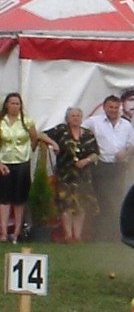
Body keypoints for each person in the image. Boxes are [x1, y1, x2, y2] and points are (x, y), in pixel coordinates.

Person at [0, 93, 59, 242]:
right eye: (12, 103)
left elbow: (36, 136)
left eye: (17, 104)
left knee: (20, 199)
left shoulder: (26, 121)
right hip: (4, 162)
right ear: (6, 105)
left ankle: (17, 232)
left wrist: (51, 143)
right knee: (4, 199)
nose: (15, 106)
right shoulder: (1, 121)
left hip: (22, 162)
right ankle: (3, 232)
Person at [82, 95, 134, 241]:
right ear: (104, 107)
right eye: (110, 107)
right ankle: (99, 235)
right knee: (101, 200)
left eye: (116, 107)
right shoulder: (94, 122)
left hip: (119, 167)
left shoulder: (126, 125)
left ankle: (114, 234)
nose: (113, 110)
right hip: (101, 166)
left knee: (116, 200)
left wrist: (126, 153)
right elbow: (78, 132)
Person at [44, 107, 99, 243]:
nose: (75, 118)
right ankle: (68, 235)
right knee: (66, 205)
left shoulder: (88, 134)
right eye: (72, 116)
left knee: (80, 206)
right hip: (65, 175)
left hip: (83, 176)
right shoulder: (61, 131)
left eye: (78, 116)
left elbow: (95, 153)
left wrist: (85, 161)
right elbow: (41, 134)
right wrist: (54, 143)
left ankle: (77, 236)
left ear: (81, 118)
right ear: (68, 118)